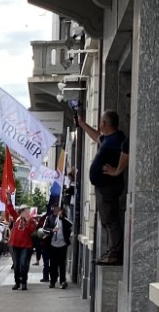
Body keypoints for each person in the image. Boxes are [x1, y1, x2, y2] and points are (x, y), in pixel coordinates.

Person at [79, 110, 130, 265]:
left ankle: (115, 253)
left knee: (111, 220)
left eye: (101, 121)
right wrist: (82, 123)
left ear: (105, 123)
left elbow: (126, 152)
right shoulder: (108, 139)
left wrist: (117, 171)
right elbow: (95, 136)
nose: (99, 124)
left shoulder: (117, 139)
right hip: (103, 187)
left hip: (109, 187)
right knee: (107, 220)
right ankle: (112, 251)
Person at [8, 206, 38, 290]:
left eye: (28, 212)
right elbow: (10, 209)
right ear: (21, 212)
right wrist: (9, 199)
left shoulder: (31, 221)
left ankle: (24, 282)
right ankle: (17, 282)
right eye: (25, 211)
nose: (27, 213)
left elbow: (31, 231)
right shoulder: (17, 218)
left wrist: (28, 223)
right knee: (16, 265)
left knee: (23, 265)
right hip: (15, 245)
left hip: (25, 245)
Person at [48, 205, 73, 289]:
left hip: (62, 244)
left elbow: (71, 225)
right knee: (53, 264)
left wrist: (62, 218)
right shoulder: (50, 218)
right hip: (52, 244)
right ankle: (53, 281)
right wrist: (52, 230)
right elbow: (45, 228)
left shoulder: (64, 219)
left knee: (62, 263)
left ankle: (63, 281)